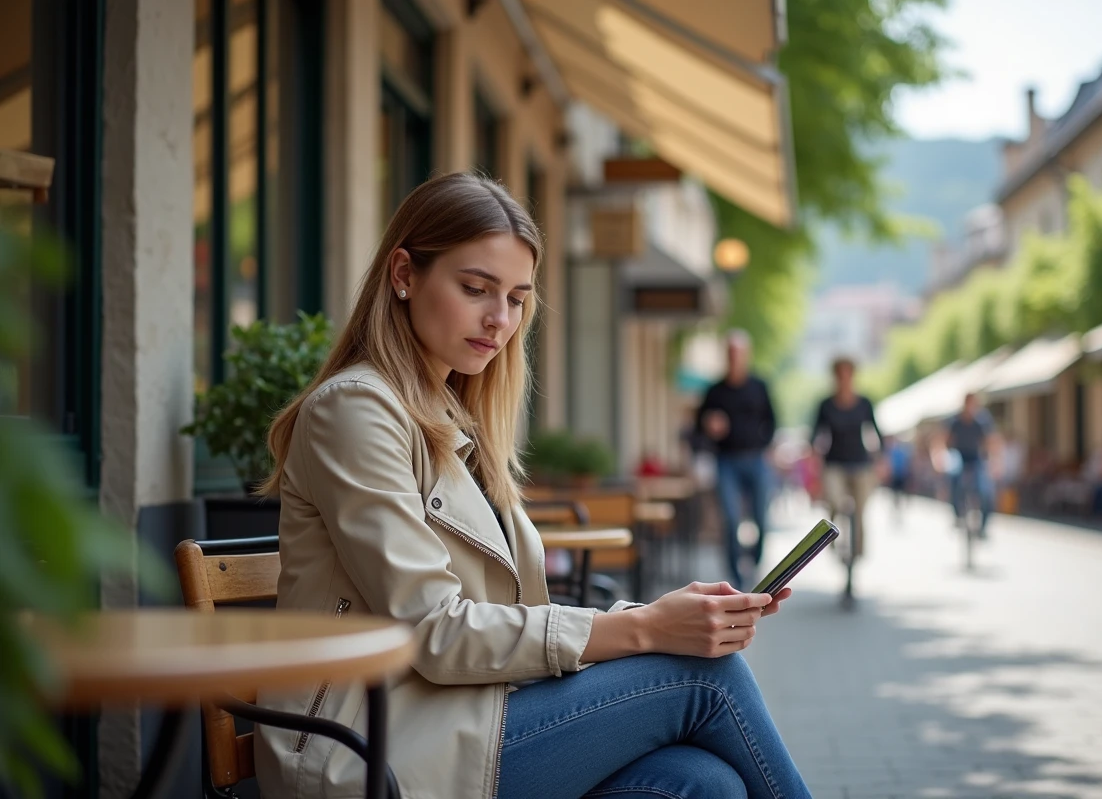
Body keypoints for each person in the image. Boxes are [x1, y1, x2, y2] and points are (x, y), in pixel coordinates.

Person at [253, 174, 811, 799]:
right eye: (475, 289)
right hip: (366, 748)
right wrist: (649, 630)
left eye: (518, 299)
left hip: (462, 715)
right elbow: (434, 630)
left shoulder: (453, 420)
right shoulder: (355, 411)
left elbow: (512, 618)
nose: (500, 321)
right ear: (404, 274)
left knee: (704, 782)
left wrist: (652, 617)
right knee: (709, 681)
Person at [694, 331, 778, 590]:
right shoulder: (715, 391)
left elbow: (773, 421)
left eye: (738, 352)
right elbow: (698, 425)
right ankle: (735, 574)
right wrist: (709, 426)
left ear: (746, 355)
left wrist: (765, 447)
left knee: (761, 518)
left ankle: (753, 562)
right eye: (730, 352)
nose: (734, 358)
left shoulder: (759, 386)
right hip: (726, 461)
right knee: (730, 519)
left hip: (755, 459)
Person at [810, 358, 883, 562]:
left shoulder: (864, 403)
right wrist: (814, 463)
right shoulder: (825, 405)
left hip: (861, 463)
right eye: (839, 375)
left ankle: (857, 551)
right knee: (834, 500)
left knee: (860, 509)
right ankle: (832, 536)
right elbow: (815, 435)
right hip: (834, 463)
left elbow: (876, 432)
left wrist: (881, 460)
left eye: (847, 374)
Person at [944, 393, 1002, 538]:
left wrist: (994, 462)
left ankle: (983, 527)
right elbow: (946, 439)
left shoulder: (982, 421)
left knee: (985, 489)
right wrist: (943, 456)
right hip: (959, 455)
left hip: (976, 457)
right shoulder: (955, 421)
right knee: (954, 477)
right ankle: (957, 514)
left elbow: (990, 441)